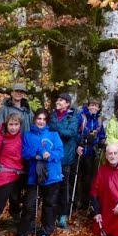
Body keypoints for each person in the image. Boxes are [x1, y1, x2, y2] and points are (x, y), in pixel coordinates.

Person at [13, 109, 64, 236]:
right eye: (38, 119)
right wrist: (37, 154)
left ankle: (45, 234)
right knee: (29, 205)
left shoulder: (54, 135)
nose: (41, 121)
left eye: (43, 119)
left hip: (52, 175)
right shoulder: (28, 136)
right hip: (34, 176)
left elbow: (60, 152)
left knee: (50, 205)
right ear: (34, 119)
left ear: (47, 121)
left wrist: (50, 154)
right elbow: (24, 152)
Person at [0, 82, 34, 212]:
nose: (19, 93)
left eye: (21, 92)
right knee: (0, 184)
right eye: (16, 91)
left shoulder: (27, 110)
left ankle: (15, 210)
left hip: (22, 151)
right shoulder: (4, 109)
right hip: (6, 153)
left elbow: (32, 128)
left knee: (19, 183)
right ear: (12, 92)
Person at [47, 93, 80, 228]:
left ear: (67, 103)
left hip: (66, 157)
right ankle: (51, 213)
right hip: (52, 156)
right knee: (52, 187)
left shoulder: (72, 117)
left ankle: (63, 214)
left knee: (64, 187)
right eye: (58, 99)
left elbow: (70, 134)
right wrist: (58, 129)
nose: (58, 102)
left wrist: (55, 128)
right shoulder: (52, 116)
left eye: (61, 100)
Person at [74, 97, 107, 213]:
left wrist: (102, 142)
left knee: (90, 178)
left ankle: (87, 201)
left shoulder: (99, 120)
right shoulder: (81, 117)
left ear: (99, 108)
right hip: (81, 151)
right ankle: (76, 202)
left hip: (92, 152)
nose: (93, 107)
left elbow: (102, 135)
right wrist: (81, 141)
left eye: (96, 106)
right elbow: (75, 132)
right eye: (91, 105)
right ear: (88, 106)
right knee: (79, 178)